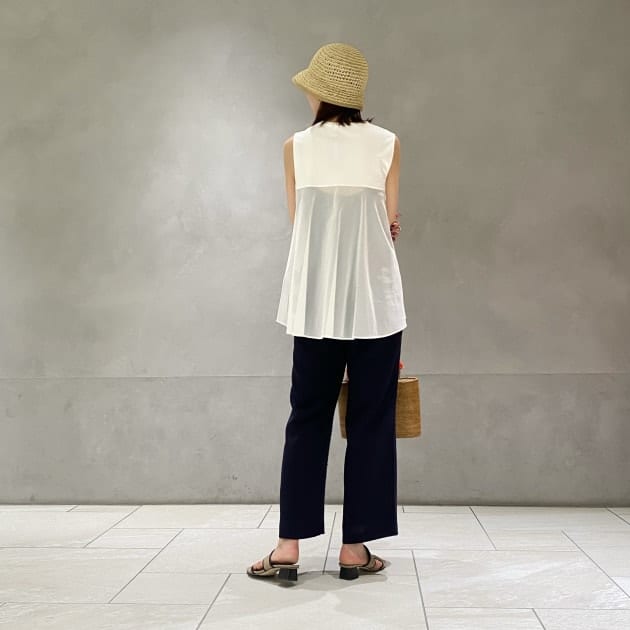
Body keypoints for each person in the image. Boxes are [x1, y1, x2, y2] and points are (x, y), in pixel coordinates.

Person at [247, 42, 406, 582]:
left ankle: (288, 546)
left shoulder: (295, 147)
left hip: (314, 302)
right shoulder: (387, 143)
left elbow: (300, 222)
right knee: (370, 420)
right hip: (374, 304)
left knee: (307, 417)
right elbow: (390, 223)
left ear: (318, 93)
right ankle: (355, 548)